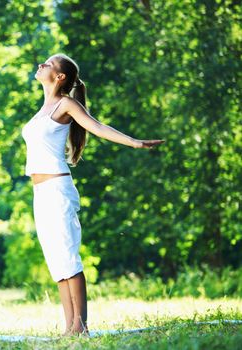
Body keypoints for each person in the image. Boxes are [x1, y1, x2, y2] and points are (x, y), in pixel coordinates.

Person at [21, 53, 165, 337]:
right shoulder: (43, 108)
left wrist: (134, 143)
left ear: (60, 77)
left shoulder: (66, 104)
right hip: (41, 193)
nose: (41, 66)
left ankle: (81, 326)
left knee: (69, 258)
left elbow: (97, 127)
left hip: (57, 190)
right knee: (56, 261)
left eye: (47, 64)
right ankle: (69, 328)